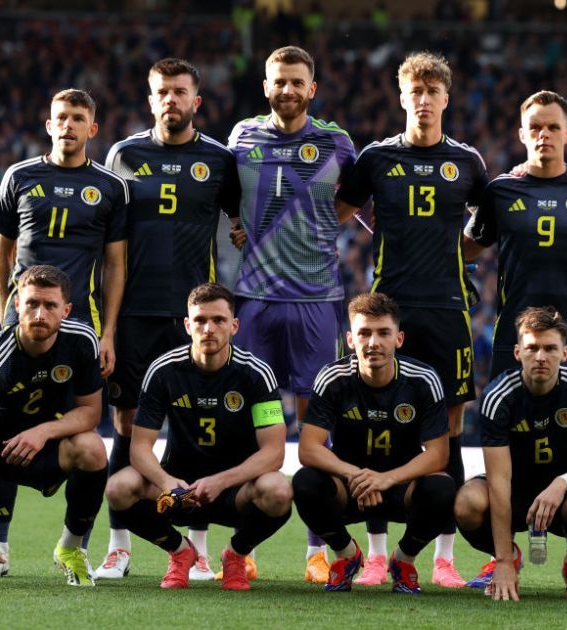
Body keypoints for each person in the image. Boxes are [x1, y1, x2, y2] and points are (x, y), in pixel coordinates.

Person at [336, 51, 487, 588]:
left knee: (449, 431)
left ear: (447, 98)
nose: (423, 100)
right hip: (387, 307)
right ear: (401, 97)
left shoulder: (467, 162)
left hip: (448, 311)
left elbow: (484, 227)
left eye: (432, 92)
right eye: (414, 91)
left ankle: (443, 557)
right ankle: (377, 554)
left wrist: (455, 250)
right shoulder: (376, 158)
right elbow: (338, 208)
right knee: (374, 430)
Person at [97, 57, 242, 581]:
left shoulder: (219, 160)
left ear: (196, 100)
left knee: (191, 430)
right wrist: (107, 326)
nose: (171, 100)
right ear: (151, 97)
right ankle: (119, 547)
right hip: (136, 312)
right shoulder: (124, 154)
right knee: (126, 426)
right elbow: (109, 240)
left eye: (181, 91)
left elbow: (240, 220)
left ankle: (199, 549)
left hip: (193, 316)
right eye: (163, 92)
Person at [226, 44, 357, 583]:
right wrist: (243, 225)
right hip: (254, 301)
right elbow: (228, 195)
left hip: (317, 302)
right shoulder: (241, 137)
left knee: (315, 428)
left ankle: (318, 549)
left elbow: (352, 201)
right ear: (265, 86)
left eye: (297, 81)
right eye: (279, 81)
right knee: (246, 422)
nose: (287, 89)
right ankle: (241, 546)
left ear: (313, 87)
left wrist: (322, 225)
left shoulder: (338, 143)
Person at [0, 88, 128, 576]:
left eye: (79, 118)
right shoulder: (19, 176)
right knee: (2, 423)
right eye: (60, 117)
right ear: (48, 125)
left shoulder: (110, 187)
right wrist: (5, 317)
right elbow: (1, 254)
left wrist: (107, 332)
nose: (68, 125)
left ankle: (74, 544)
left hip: (80, 329)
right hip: (20, 324)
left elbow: (115, 264)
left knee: (89, 436)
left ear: (93, 129)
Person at [104, 283, 292, 591]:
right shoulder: (163, 371)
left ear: (234, 326)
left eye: (218, 320)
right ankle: (180, 552)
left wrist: (221, 481)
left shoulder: (256, 374)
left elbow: (274, 453)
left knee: (279, 491)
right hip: (179, 490)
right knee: (118, 488)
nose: (209, 328)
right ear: (187, 325)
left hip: (235, 490)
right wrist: (166, 482)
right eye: (201, 320)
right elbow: (139, 448)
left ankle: (236, 555)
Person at [0, 265, 109, 587]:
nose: (40, 314)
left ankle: (70, 548)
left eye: (50, 305)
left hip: (38, 446)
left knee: (92, 448)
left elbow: (91, 413)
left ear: (66, 310)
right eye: (31, 304)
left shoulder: (82, 341)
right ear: (16, 306)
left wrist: (43, 431)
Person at [454, 306, 567, 601]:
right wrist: (504, 559)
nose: (541, 357)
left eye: (550, 348)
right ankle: (509, 555)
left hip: (566, 499)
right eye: (532, 348)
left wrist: (562, 483)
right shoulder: (498, 396)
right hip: (513, 495)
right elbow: (499, 481)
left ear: (565, 353)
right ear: (518, 352)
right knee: (467, 502)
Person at [290, 292, 455, 594]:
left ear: (399, 339)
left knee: (443, 489)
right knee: (305, 483)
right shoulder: (333, 377)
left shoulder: (423, 379)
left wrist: (385, 479)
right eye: (364, 333)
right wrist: (355, 475)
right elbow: (308, 448)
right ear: (350, 340)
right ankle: (346, 556)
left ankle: (404, 560)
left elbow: (438, 455)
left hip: (401, 487)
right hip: (349, 487)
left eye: (383, 333)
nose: (373, 342)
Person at [463, 90, 567, 376]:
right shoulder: (500, 191)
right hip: (514, 338)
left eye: (553, 127)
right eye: (535, 127)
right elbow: (465, 249)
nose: (544, 134)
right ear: (522, 135)